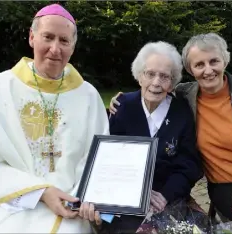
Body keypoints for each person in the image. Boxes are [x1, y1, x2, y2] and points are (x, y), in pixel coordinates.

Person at [109, 33, 232, 234]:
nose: (208, 70)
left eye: (214, 61)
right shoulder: (179, 96)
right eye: (199, 65)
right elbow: (109, 156)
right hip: (225, 183)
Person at [0, 4, 108, 233]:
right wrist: (41, 191)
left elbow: (98, 159)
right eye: (47, 37)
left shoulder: (88, 95)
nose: (55, 49)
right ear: (32, 37)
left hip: (71, 205)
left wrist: (80, 199)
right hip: (12, 201)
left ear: (73, 46)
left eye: (64, 41)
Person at [81, 41, 204, 233]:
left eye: (164, 76)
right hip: (124, 197)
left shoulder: (182, 112)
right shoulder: (122, 107)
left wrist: (166, 194)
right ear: (139, 77)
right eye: (150, 74)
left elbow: (189, 164)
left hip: (165, 197)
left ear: (172, 83)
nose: (156, 83)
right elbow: (105, 158)